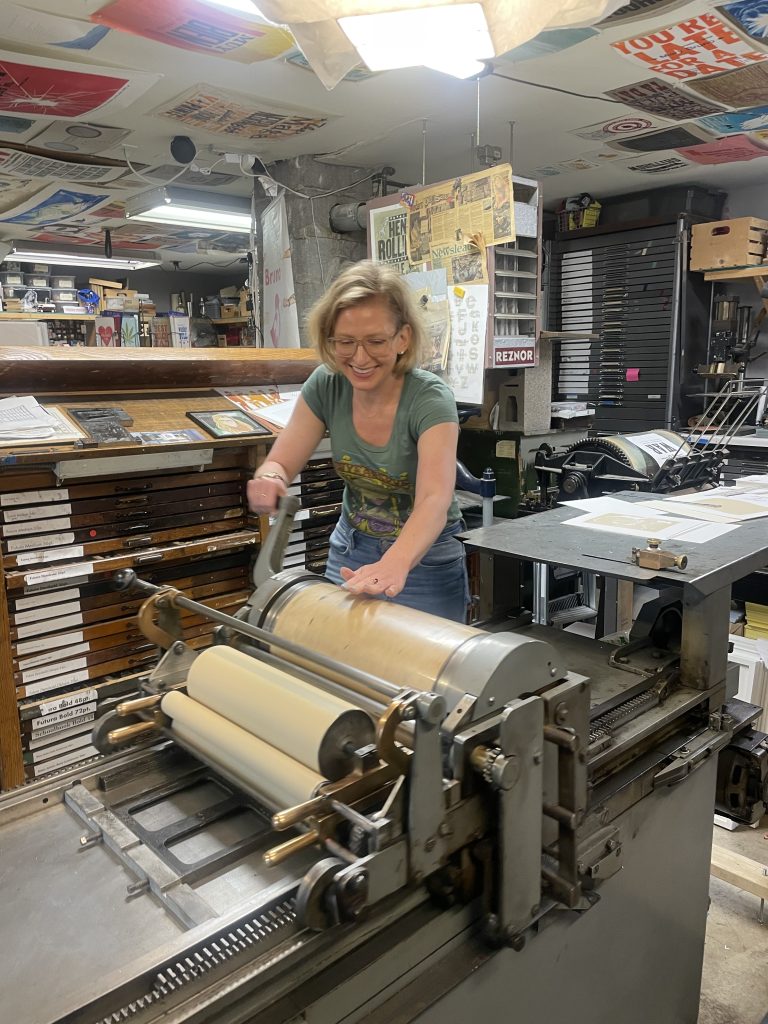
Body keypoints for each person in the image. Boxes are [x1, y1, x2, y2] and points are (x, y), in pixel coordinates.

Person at [247, 260, 468, 622]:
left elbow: (434, 499)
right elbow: (281, 462)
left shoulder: (429, 399)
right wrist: (270, 478)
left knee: (427, 658)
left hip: (424, 559)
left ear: (403, 338)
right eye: (346, 342)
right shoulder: (326, 385)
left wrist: (396, 562)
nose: (360, 358)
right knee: (340, 651)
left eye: (375, 341)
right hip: (352, 550)